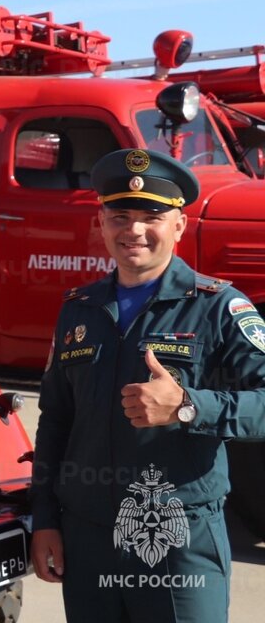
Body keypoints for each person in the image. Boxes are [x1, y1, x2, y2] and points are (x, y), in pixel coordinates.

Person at [30, 147, 265, 622]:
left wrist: (188, 406)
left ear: (179, 225)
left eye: (151, 216)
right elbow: (55, 420)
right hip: (88, 538)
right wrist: (45, 521)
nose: (134, 230)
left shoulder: (218, 308)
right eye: (120, 215)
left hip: (179, 538)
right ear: (101, 223)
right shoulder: (79, 309)